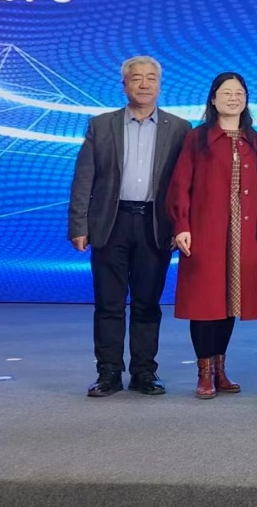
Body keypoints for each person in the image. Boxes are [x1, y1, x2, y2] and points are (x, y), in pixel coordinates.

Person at [67, 56, 190, 397]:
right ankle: (108, 373)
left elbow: (185, 184)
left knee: (147, 303)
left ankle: (144, 372)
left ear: (160, 85)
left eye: (151, 78)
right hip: (111, 222)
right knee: (109, 303)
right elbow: (84, 179)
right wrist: (79, 224)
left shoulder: (179, 128)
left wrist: (182, 224)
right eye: (137, 78)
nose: (144, 84)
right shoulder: (101, 125)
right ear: (124, 85)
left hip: (155, 224)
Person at [166, 72, 257, 399]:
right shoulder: (197, 138)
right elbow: (180, 185)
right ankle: (204, 372)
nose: (233, 98)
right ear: (213, 98)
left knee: (231, 302)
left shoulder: (254, 140)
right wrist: (181, 225)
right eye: (226, 93)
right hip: (205, 230)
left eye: (239, 93)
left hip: (243, 232)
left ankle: (221, 369)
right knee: (204, 301)